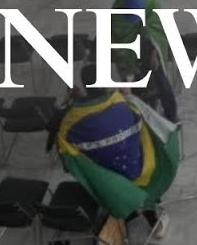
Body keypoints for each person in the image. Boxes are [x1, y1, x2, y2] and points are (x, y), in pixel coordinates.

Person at [51, 63, 177, 243]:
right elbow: (144, 119)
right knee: (145, 158)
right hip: (138, 170)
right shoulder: (120, 101)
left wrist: (74, 101)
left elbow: (63, 141)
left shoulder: (73, 118)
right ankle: (154, 219)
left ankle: (121, 216)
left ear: (85, 86)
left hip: (108, 181)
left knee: (108, 173)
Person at [108, 0, 178, 123]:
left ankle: (171, 114)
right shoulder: (124, 6)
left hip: (147, 44)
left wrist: (153, 54)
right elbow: (119, 28)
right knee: (132, 77)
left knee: (159, 78)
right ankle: (136, 112)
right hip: (130, 44)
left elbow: (156, 32)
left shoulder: (149, 9)